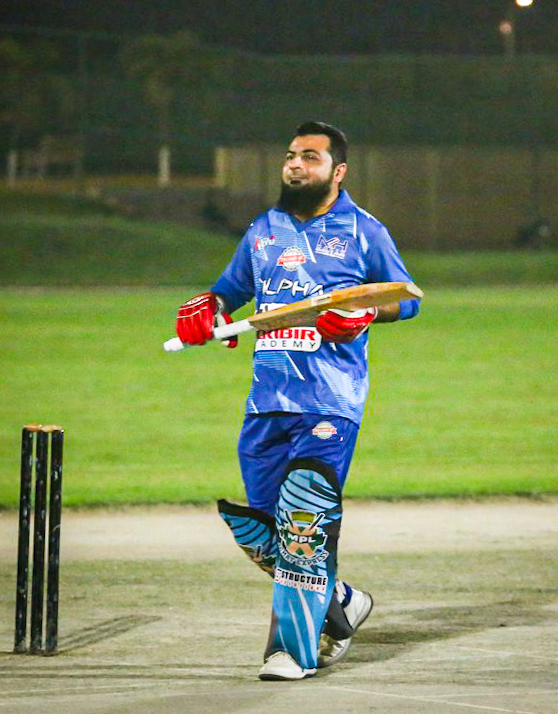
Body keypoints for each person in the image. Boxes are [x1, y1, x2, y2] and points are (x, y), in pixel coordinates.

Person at [175, 121, 421, 681]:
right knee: (266, 534)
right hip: (266, 403)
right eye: (291, 155)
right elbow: (229, 293)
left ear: (338, 171)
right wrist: (207, 308)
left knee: (303, 522)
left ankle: (289, 651)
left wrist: (363, 312)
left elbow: (407, 300)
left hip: (331, 401)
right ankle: (342, 600)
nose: (295, 164)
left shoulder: (363, 230)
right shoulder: (263, 230)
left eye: (310, 157)